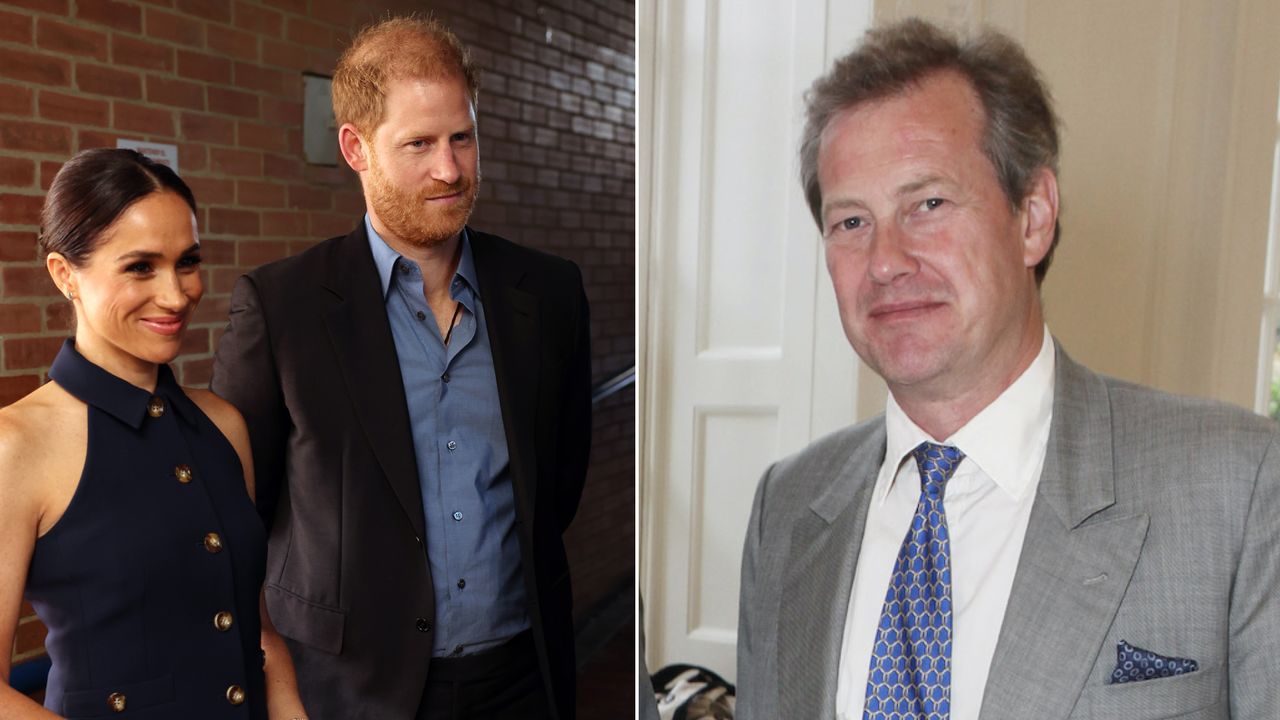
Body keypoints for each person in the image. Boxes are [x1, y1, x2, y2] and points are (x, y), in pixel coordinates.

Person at [736, 18, 1279, 720]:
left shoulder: (1238, 488)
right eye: (850, 222)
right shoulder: (786, 508)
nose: (885, 262)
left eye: (927, 204)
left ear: (1033, 217)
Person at [210, 16, 591, 720]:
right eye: (418, 144)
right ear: (355, 148)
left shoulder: (550, 293)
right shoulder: (281, 307)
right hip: (348, 691)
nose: (449, 169)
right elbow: (237, 521)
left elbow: (558, 484)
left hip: (521, 679)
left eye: (462, 137)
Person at [0, 148, 307, 719]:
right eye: (141, 267)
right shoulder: (16, 444)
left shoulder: (223, 424)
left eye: (187, 262)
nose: (176, 294)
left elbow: (256, 629)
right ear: (65, 274)